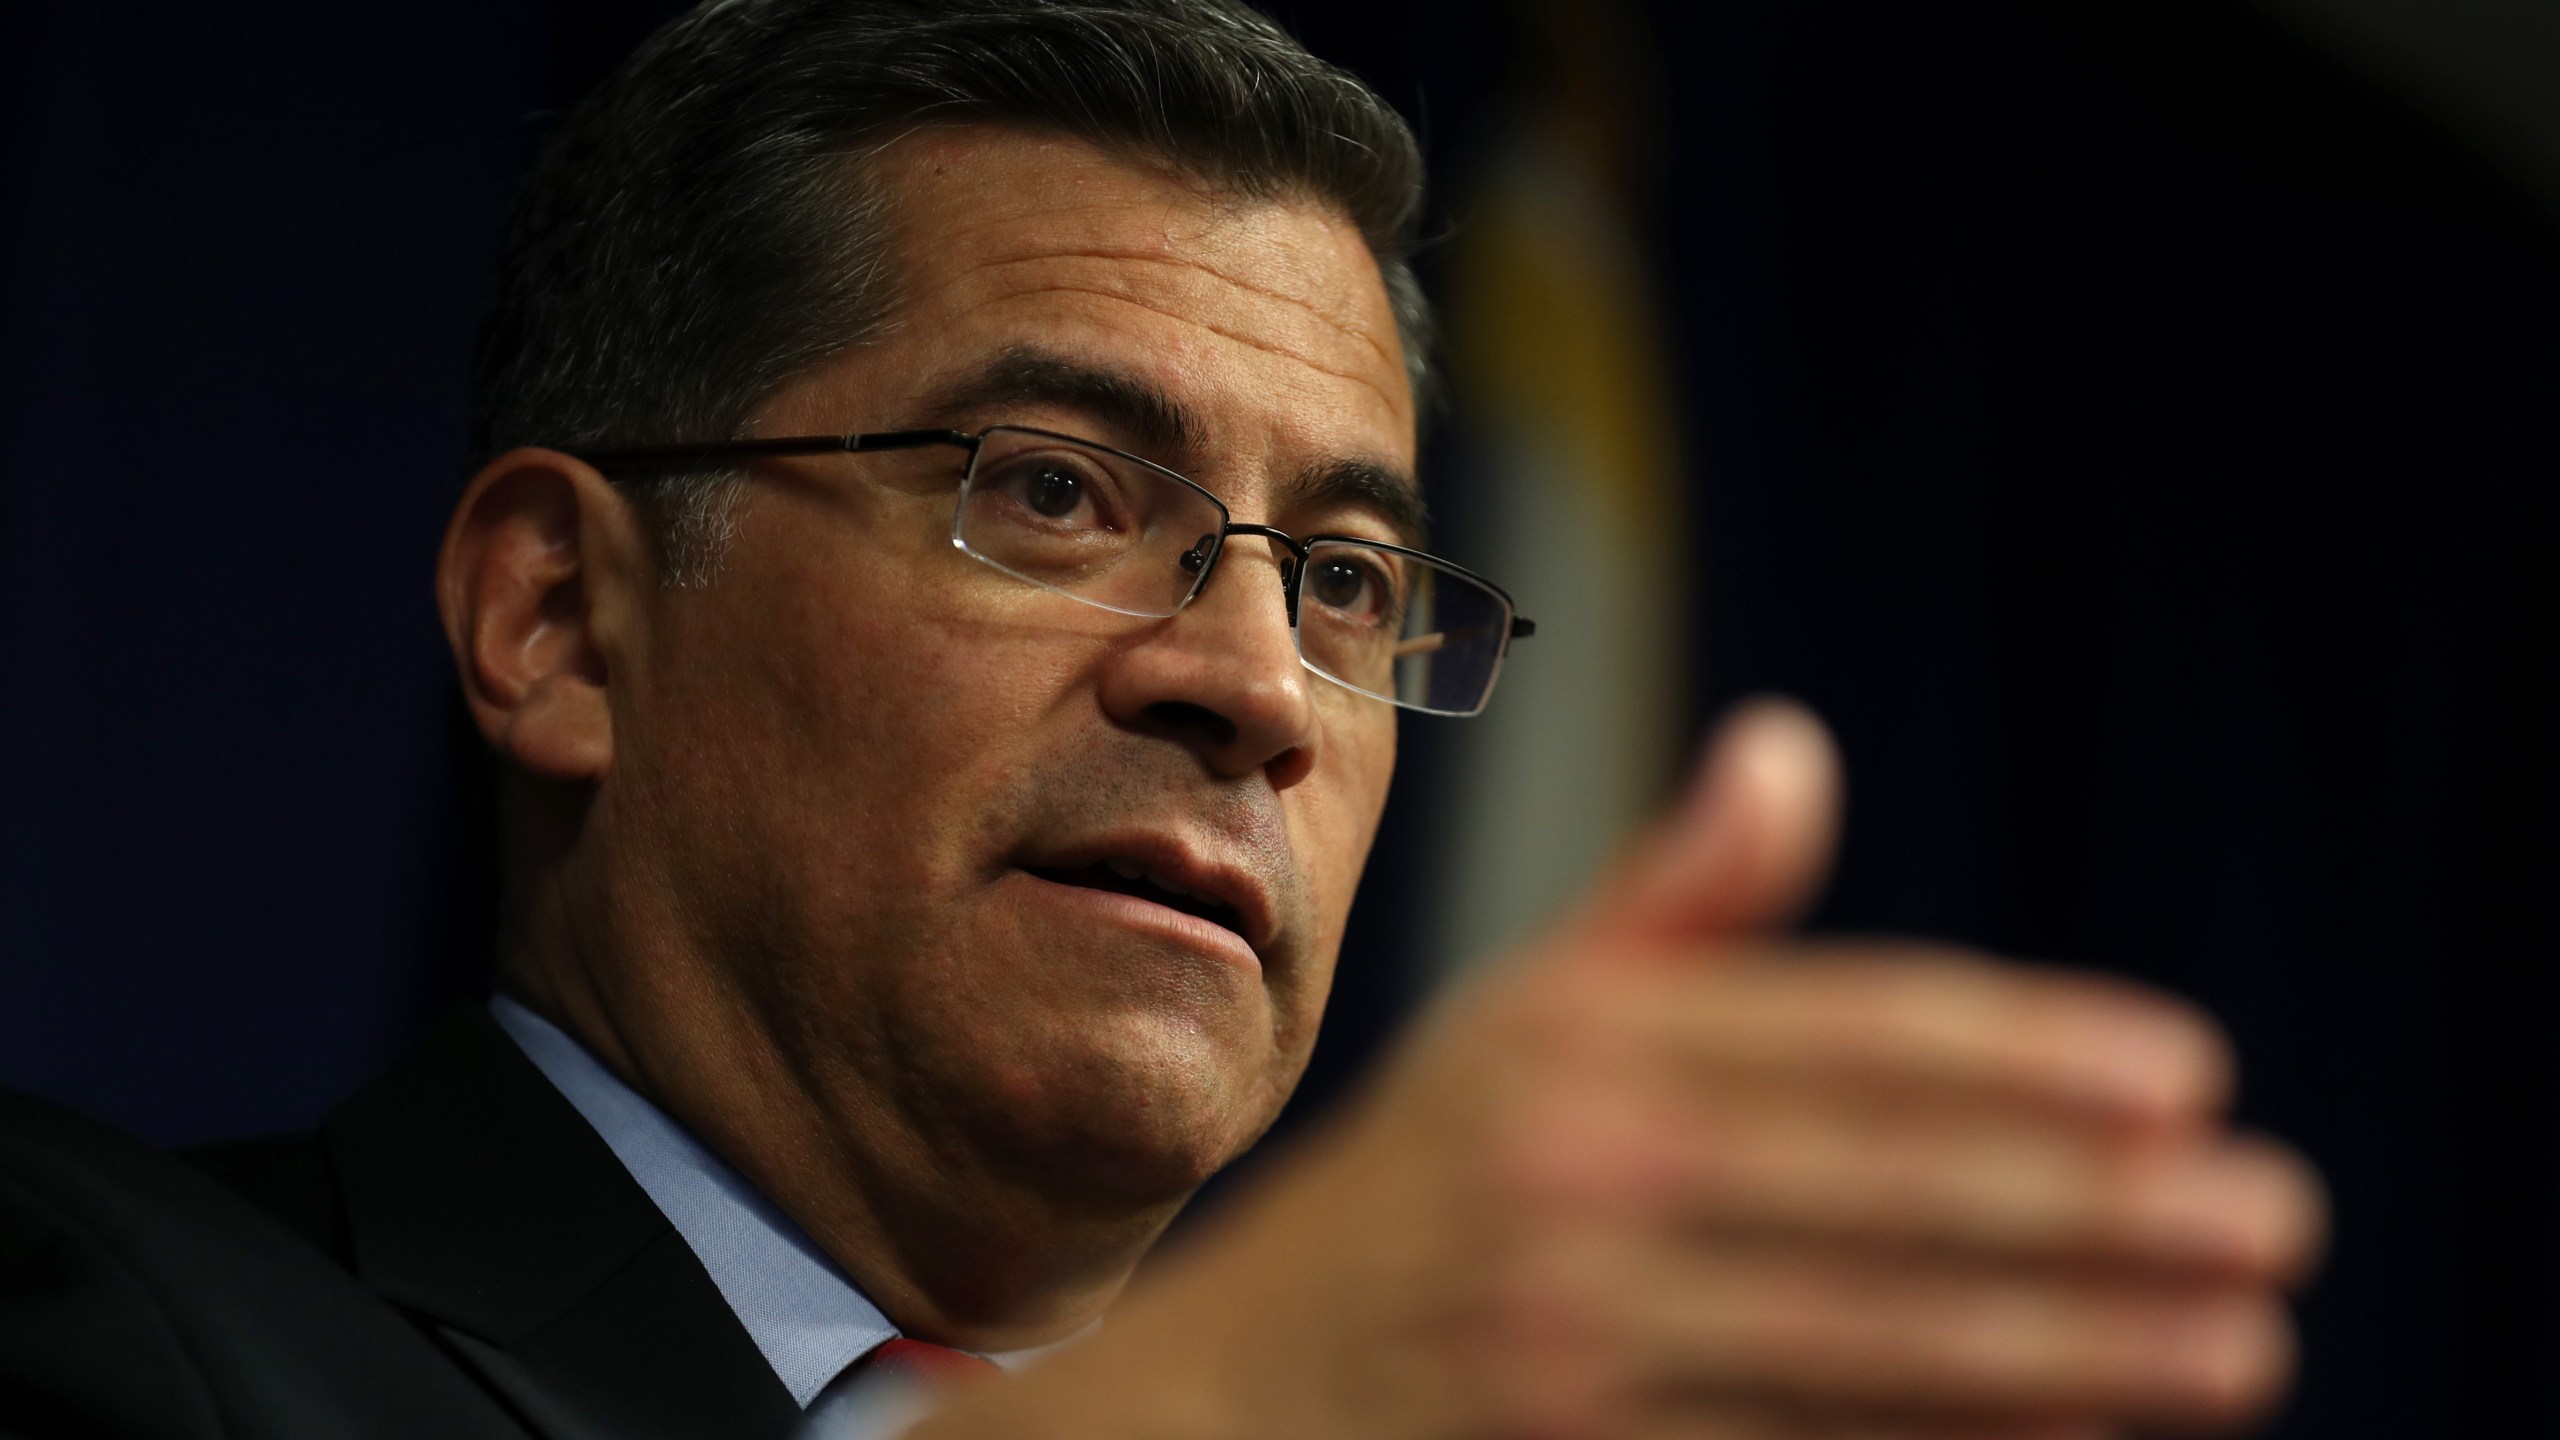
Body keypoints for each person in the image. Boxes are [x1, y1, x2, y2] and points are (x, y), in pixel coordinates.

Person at [0, 2, 2324, 1437]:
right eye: (1048, 492)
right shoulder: (86, 1319)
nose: (1247, 688)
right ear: (560, 622)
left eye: (1344, 579)